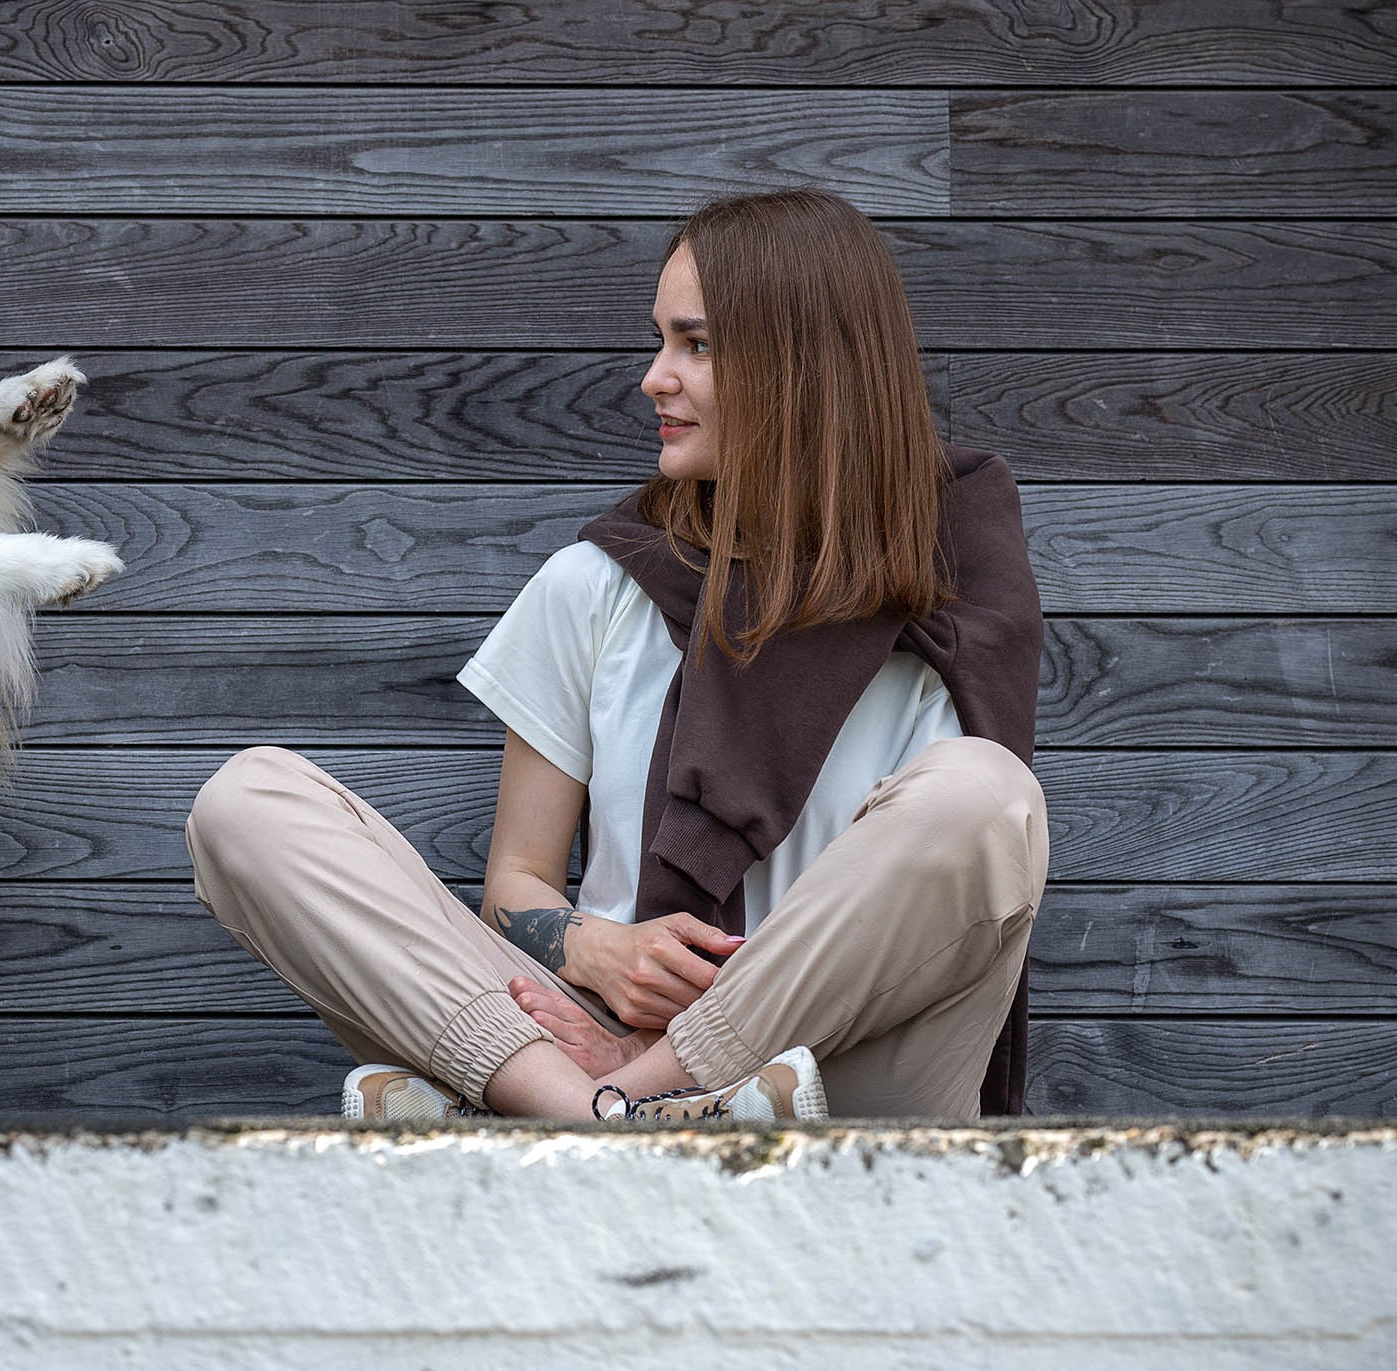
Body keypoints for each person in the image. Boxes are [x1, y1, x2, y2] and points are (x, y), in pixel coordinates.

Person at [184, 188, 1048, 1123]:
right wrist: (597, 950)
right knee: (248, 802)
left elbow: (944, 900)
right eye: (660, 340)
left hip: (838, 1074)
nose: (654, 378)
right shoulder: (597, 583)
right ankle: (613, 1114)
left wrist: (662, 1058)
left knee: (986, 795)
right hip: (583, 1027)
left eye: (697, 344)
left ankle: (593, 1111)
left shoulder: (947, 600)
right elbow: (516, 880)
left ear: (801, 366)